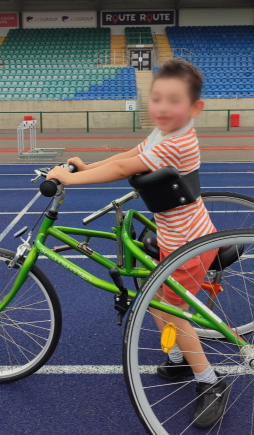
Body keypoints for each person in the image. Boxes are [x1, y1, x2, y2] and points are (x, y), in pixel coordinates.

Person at [46, 58, 229, 428]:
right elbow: (126, 157)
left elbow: (121, 171)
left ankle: (211, 381)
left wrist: (66, 179)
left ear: (195, 108)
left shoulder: (176, 143)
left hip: (189, 246)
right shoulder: (164, 134)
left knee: (174, 315)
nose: (162, 107)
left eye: (173, 100)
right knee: (159, 302)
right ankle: (179, 357)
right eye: (156, 98)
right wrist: (85, 166)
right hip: (174, 240)